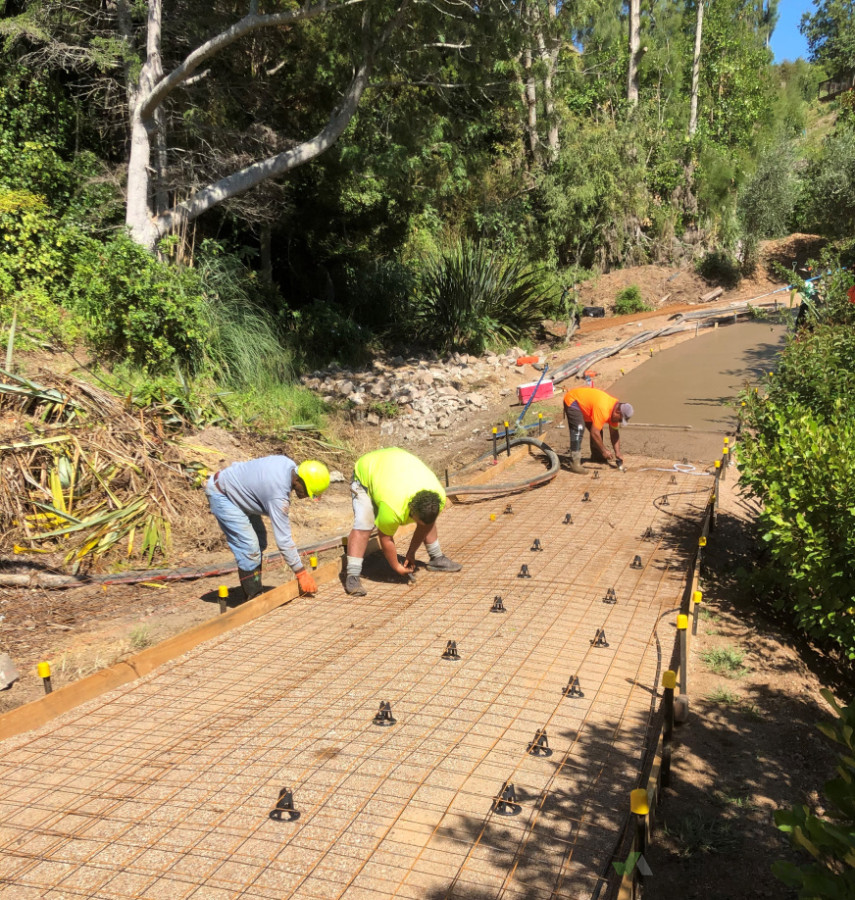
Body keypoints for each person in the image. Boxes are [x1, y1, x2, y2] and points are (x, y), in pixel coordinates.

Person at [206, 456, 330, 601]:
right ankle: (255, 598)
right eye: (308, 492)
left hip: (236, 489)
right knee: (250, 549)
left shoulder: (288, 464)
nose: (307, 496)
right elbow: (284, 541)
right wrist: (301, 573)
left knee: (260, 543)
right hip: (222, 494)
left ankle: (251, 585)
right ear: (298, 481)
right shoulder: (277, 495)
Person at [345, 447, 462, 596]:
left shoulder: (438, 496)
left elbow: (425, 524)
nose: (421, 526)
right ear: (411, 511)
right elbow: (385, 538)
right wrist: (396, 566)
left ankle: (436, 557)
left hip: (396, 465)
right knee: (364, 524)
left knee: (428, 518)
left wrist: (411, 552)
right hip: (366, 472)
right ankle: (352, 575)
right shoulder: (392, 507)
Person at [563, 386, 633, 474]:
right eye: (620, 419)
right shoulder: (604, 409)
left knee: (598, 430)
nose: (619, 422)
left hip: (587, 408)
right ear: (618, 412)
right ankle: (575, 463)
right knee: (579, 429)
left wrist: (618, 452)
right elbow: (594, 433)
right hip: (573, 401)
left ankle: (597, 457)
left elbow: (614, 433)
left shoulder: (614, 411)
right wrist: (604, 451)